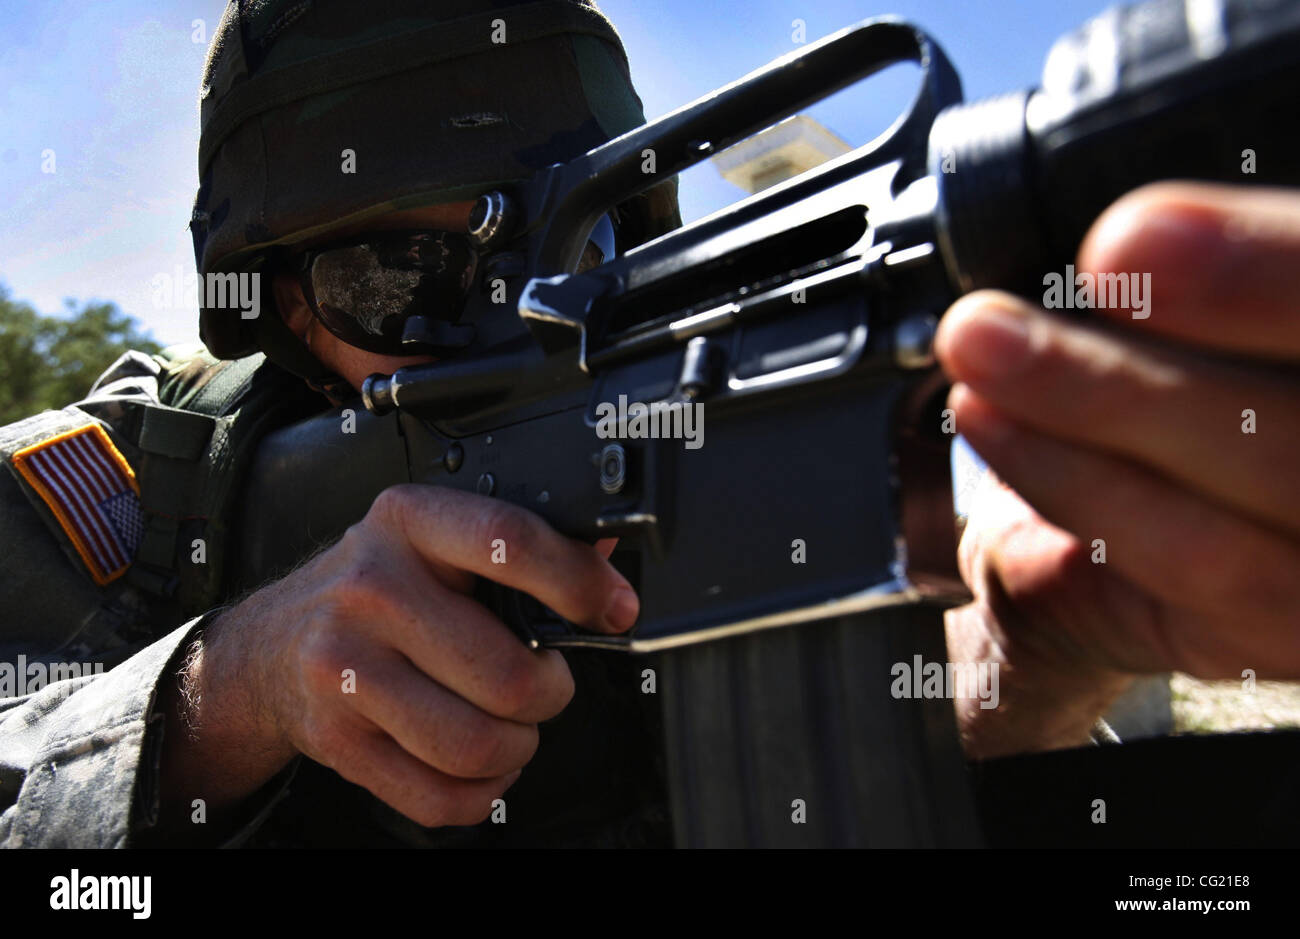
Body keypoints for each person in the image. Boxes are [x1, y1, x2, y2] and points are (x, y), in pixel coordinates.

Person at [1, 0, 1296, 847]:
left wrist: (1037, 642)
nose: (512, 323)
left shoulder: (694, 435)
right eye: (398, 279)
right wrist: (230, 693)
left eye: (589, 234)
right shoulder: (103, 504)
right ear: (274, 308)